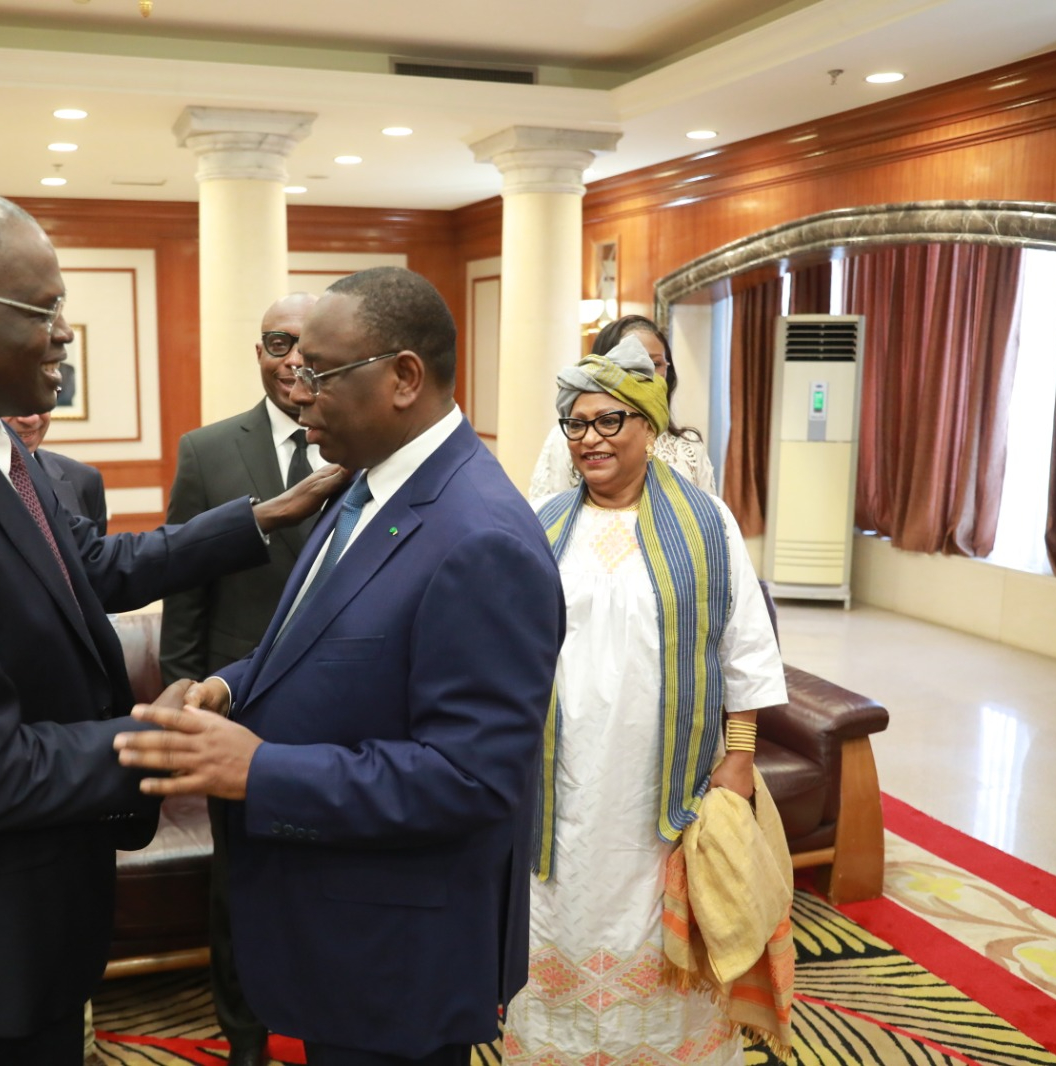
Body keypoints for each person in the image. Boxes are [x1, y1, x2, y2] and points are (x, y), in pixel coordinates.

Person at [0, 189, 339, 1065]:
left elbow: (93, 570)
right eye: (45, 309)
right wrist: (171, 739)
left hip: (33, 898)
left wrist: (268, 515)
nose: (64, 333)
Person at [115, 266, 566, 1066]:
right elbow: (310, 640)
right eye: (292, 371)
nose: (299, 394)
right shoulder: (362, 488)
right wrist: (227, 688)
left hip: (399, 952)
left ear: (403, 377)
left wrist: (260, 770)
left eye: (319, 373)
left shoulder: (480, 537)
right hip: (338, 922)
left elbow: (472, 778)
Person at [502, 337, 790, 1066]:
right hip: (560, 783)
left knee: (662, 938)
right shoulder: (542, 526)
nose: (589, 439)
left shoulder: (707, 522)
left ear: (650, 428)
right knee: (559, 909)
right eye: (576, 424)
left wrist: (741, 756)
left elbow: (744, 648)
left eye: (610, 422)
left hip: (667, 787)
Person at [158, 290, 321, 1066]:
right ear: (257, 352)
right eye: (276, 342)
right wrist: (183, 693)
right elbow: (186, 589)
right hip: (237, 708)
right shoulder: (209, 449)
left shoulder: (368, 445)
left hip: (341, 715)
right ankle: (246, 1039)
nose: (293, 358)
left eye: (307, 343)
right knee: (240, 890)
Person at [527, 314, 716, 498]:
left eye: (655, 363)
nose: (646, 373)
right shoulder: (568, 440)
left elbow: (709, 515)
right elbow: (548, 513)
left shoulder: (688, 446)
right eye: (634, 364)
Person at [5, 410, 109, 533]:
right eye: (12, 401)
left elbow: (93, 550)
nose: (31, 419)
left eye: (41, 399)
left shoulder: (84, 480)